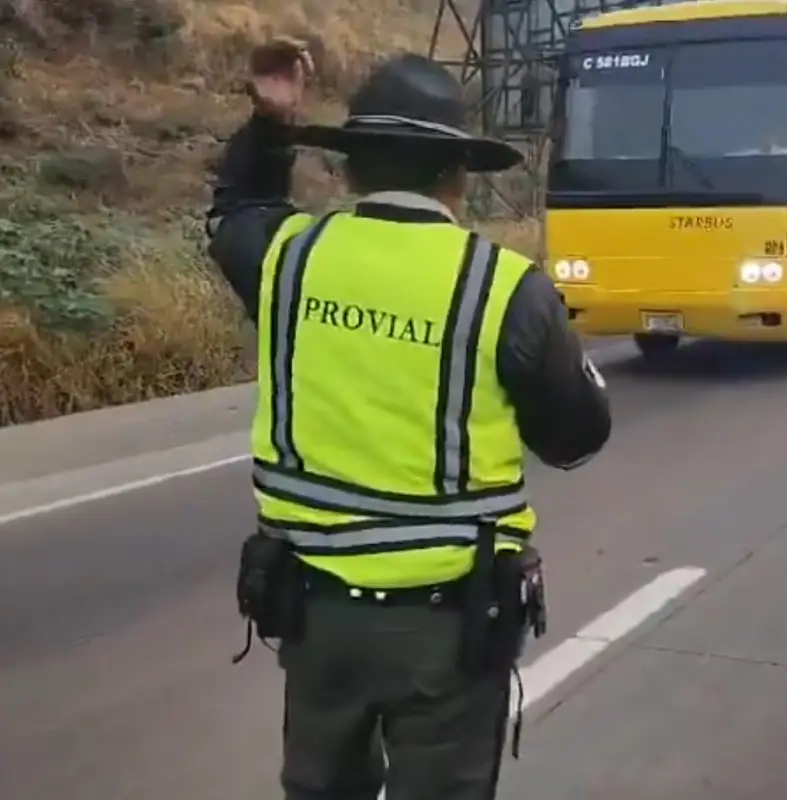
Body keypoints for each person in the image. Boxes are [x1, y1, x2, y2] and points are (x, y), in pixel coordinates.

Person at [207, 38, 611, 800]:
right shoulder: (505, 288)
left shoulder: (289, 257)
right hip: (447, 633)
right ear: (458, 175)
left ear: (351, 167)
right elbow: (577, 436)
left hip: (315, 620)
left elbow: (235, 211)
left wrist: (270, 129)